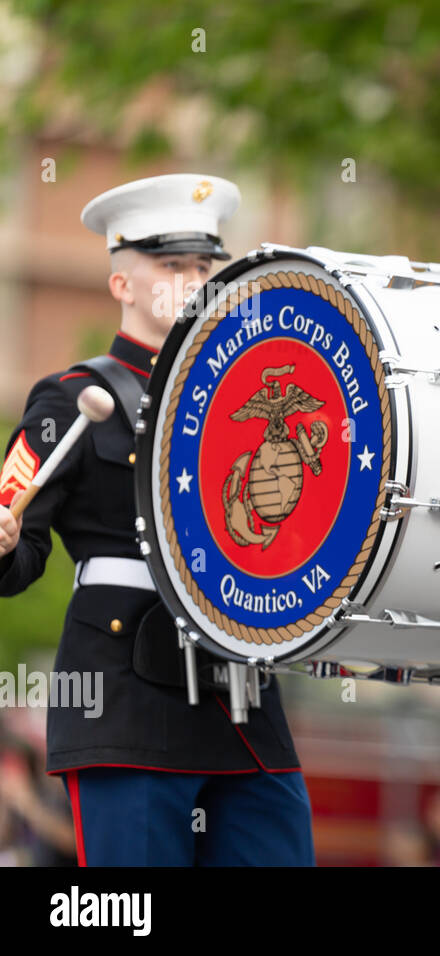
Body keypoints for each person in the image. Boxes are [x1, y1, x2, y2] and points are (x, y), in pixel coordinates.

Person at [0, 174, 314, 866]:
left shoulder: (252, 405)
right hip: (124, 699)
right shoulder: (71, 399)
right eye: (172, 265)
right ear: (122, 284)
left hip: (241, 697)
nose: (193, 280)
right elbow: (16, 556)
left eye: (205, 266)